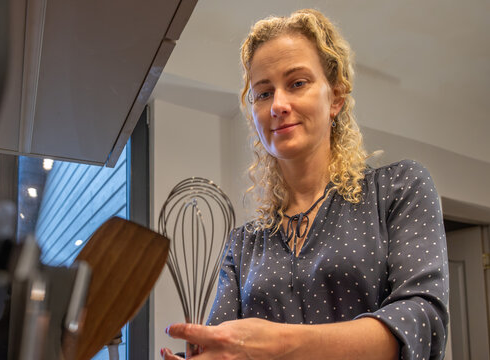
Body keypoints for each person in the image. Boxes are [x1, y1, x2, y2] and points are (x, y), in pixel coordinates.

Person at [162, 8, 448, 360]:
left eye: (297, 83)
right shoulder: (244, 244)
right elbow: (225, 347)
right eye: (263, 93)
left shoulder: (398, 188)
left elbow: (423, 320)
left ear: (336, 98)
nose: (278, 105)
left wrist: (281, 345)